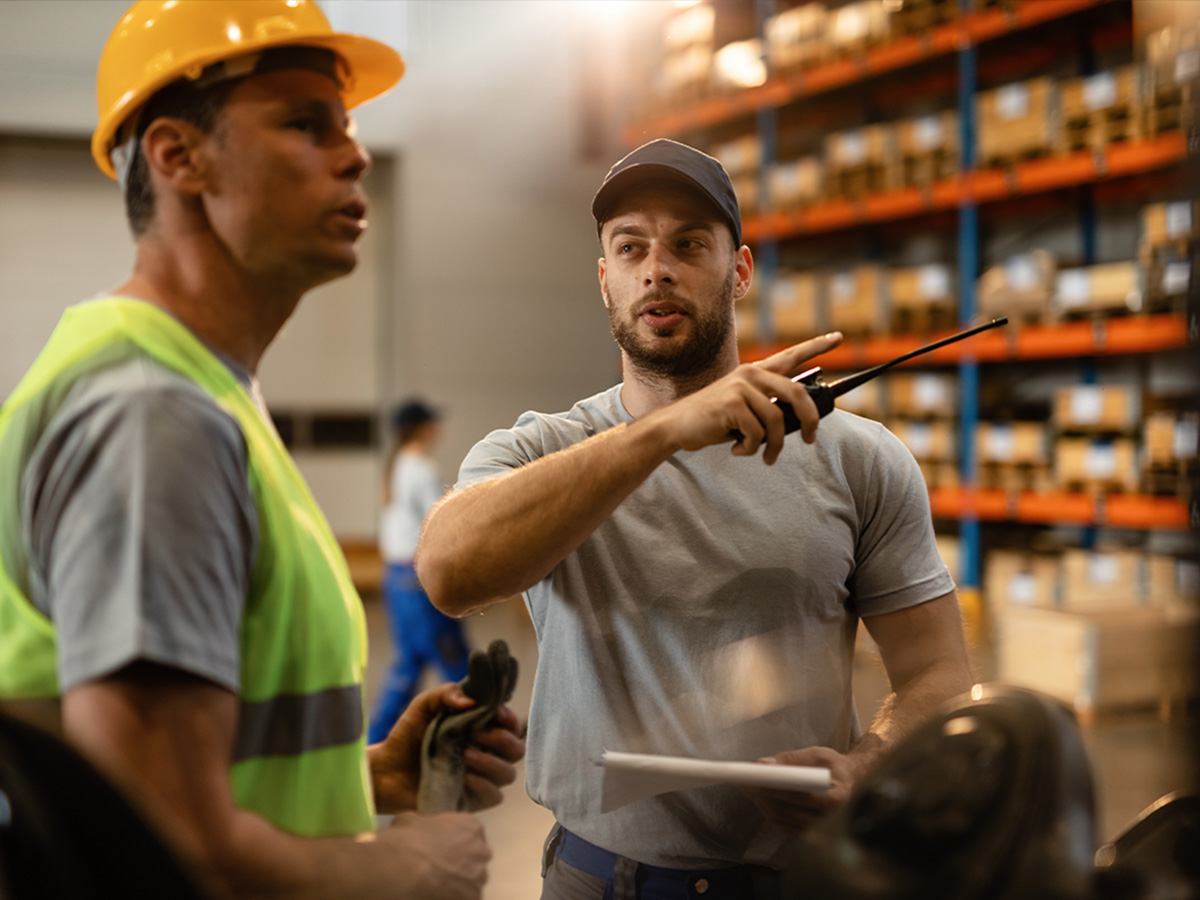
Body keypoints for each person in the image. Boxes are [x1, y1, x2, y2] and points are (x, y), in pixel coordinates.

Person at [0, 3, 523, 899]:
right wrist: (399, 867)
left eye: (347, 127)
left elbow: (193, 776)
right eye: (304, 124)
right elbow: (164, 846)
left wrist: (369, 776)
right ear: (178, 156)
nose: (354, 154)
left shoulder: (203, 393)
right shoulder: (152, 417)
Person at [415, 138, 974, 899]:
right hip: (594, 878)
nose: (658, 267)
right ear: (604, 277)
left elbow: (939, 671)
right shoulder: (537, 453)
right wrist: (662, 433)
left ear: (738, 270)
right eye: (631, 246)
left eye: (689, 243)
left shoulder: (860, 460)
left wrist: (866, 765)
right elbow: (448, 572)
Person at [369, 399, 471, 743]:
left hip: (397, 577)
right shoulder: (421, 468)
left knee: (410, 663)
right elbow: (438, 525)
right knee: (453, 661)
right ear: (422, 427)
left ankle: (377, 739)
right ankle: (476, 730)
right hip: (417, 579)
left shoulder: (397, 464)